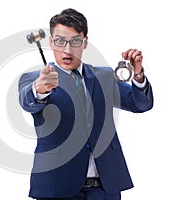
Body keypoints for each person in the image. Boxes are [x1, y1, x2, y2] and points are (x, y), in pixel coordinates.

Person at [18, 8, 153, 200]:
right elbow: (28, 101)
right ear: (50, 42)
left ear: (85, 42)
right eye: (60, 41)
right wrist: (40, 89)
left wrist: (138, 75)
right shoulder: (33, 79)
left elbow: (140, 104)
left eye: (75, 41)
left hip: (105, 188)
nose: (67, 49)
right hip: (57, 187)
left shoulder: (105, 76)